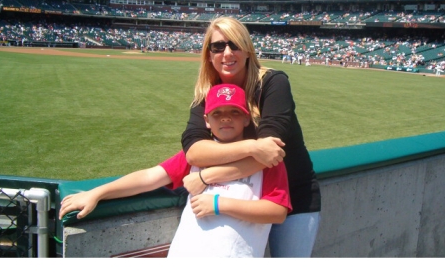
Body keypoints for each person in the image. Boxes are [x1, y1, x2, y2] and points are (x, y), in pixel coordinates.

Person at [59, 83, 291, 258]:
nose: (226, 118)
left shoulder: (265, 158)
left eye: (234, 112)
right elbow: (149, 177)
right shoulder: (198, 155)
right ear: (206, 120)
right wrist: (97, 193)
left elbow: (277, 211)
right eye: (217, 113)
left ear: (246, 119)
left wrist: (219, 205)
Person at [181, 16, 321, 258]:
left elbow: (271, 154)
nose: (227, 53)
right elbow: (194, 150)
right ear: (208, 54)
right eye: (218, 47)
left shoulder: (272, 83)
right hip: (240, 198)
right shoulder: (206, 94)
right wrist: (252, 147)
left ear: (247, 50)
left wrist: (207, 175)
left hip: (293, 197)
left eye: (234, 44)